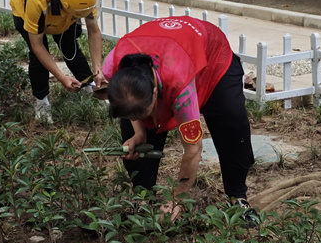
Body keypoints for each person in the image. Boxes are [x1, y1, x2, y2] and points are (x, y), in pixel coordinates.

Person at [103, 16, 258, 224]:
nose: (137, 119)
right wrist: (138, 131)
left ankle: (237, 197)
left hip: (212, 59)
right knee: (137, 136)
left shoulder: (180, 88)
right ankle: (142, 200)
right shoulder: (113, 66)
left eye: (142, 113)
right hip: (168, 50)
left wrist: (179, 196)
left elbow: (193, 149)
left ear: (156, 91)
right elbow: (132, 106)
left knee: (231, 123)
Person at [9, 0, 105, 124]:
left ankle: (90, 87)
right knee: (37, 58)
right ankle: (41, 102)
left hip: (66, 8)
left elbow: (94, 31)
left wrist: (98, 69)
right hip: (25, 9)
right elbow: (37, 45)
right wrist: (61, 77)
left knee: (70, 47)